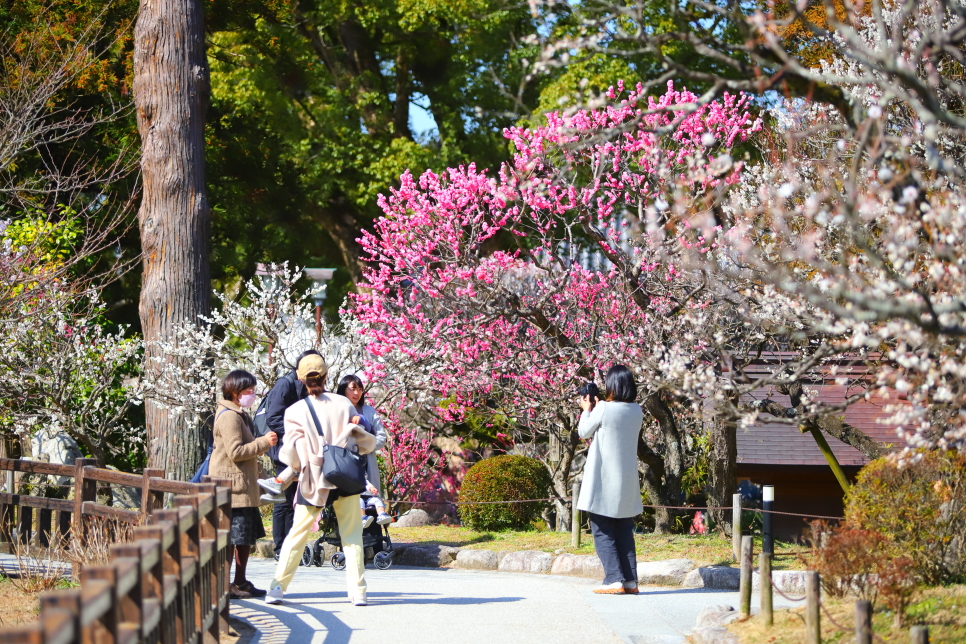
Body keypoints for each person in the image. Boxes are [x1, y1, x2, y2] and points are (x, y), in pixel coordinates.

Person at [266, 355, 376, 606]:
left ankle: (277, 588)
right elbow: (360, 438)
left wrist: (293, 470)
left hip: (313, 479)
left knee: (297, 534)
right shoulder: (343, 404)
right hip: (344, 476)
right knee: (352, 535)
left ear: (302, 379)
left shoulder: (295, 411)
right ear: (326, 377)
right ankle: (358, 591)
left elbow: (292, 451)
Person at [576, 365, 644, 595]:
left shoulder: (603, 408)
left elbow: (584, 431)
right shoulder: (637, 410)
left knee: (602, 529)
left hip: (604, 480)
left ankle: (613, 579)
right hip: (626, 482)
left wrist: (587, 409)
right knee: (624, 530)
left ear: (612, 385)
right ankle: (630, 581)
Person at [210, 369, 278, 599]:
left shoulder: (238, 414)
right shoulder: (229, 416)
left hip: (241, 488)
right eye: (250, 389)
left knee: (243, 539)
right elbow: (236, 452)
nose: (253, 393)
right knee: (233, 539)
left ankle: (240, 581)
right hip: (234, 489)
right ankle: (226, 585)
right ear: (236, 392)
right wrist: (263, 443)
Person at [255, 350, 319, 559]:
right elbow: (273, 419)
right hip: (284, 449)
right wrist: (300, 433)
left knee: (293, 499)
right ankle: (281, 547)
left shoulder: (306, 386)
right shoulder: (286, 384)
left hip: (297, 448)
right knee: (284, 499)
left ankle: (289, 545)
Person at [336, 375, 392, 527]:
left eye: (360, 389)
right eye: (353, 389)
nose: (357, 392)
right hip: (345, 463)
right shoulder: (336, 411)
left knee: (371, 497)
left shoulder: (369, 411)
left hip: (367, 463)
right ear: (343, 390)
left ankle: (374, 539)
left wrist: (367, 447)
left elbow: (381, 436)